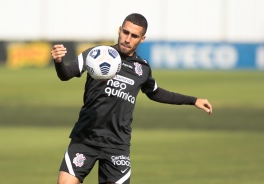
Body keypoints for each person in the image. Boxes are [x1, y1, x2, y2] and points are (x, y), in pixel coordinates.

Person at [51, 13, 212, 184]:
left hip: (117, 145)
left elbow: (155, 92)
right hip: (85, 138)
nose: (127, 39)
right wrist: (59, 62)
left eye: (134, 36)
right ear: (119, 30)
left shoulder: (142, 68)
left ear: (142, 38)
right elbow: (66, 74)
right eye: (125, 32)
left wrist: (193, 100)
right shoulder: (96, 54)